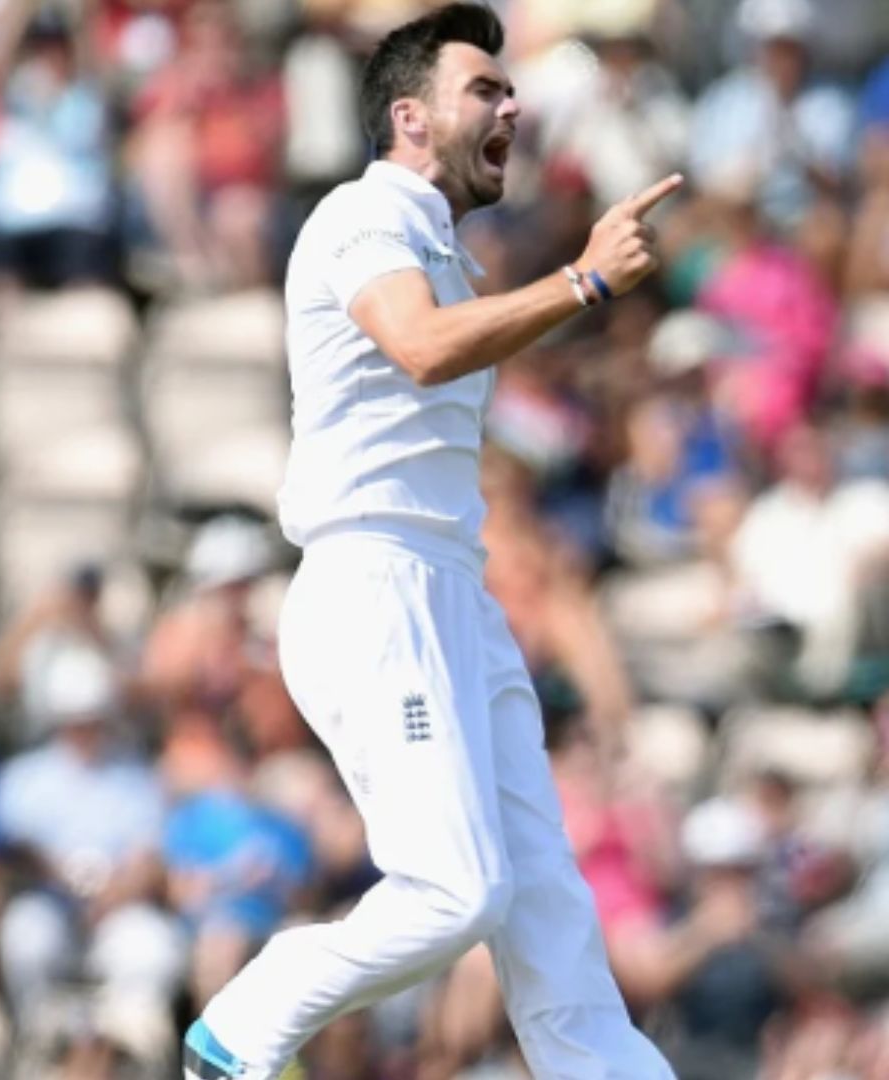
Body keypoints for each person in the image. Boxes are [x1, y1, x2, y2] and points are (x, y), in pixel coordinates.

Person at [182, 6, 680, 1079]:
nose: (511, 104)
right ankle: (241, 1028)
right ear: (409, 116)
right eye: (484, 90)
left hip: (453, 587)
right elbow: (417, 348)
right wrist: (585, 282)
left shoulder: (449, 248)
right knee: (457, 892)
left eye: (510, 89)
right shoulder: (365, 215)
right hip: (373, 583)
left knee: (544, 897)